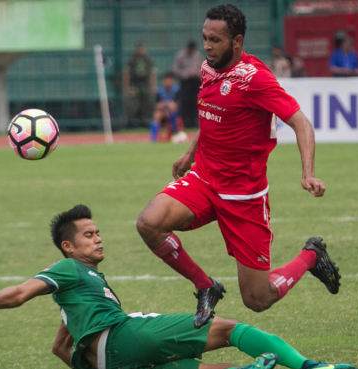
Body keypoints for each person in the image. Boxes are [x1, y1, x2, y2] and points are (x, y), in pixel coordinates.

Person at [0, 205, 358, 369]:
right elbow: (21, 292)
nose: (98, 239)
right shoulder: (67, 269)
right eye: (88, 235)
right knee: (226, 329)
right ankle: (312, 367)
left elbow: (59, 347)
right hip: (119, 339)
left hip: (113, 365)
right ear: (68, 246)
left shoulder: (79, 293)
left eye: (98, 232)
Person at [136, 4, 339, 330]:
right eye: (205, 38)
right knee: (149, 223)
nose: (207, 46)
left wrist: (308, 173)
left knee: (258, 300)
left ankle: (312, 256)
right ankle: (206, 286)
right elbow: (214, 116)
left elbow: (301, 123)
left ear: (237, 41)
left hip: (243, 197)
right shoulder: (207, 69)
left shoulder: (255, 79)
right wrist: (190, 154)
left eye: (215, 40)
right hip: (204, 178)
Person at [124, 43, 157, 128]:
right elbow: (127, 73)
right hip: (134, 84)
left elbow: (152, 74)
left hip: (145, 84)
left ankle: (144, 121)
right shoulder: (132, 59)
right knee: (132, 104)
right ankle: (130, 122)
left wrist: (153, 86)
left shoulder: (148, 59)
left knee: (146, 103)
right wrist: (126, 86)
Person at [173, 40, 204, 130]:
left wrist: (196, 73)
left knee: (196, 102)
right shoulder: (180, 56)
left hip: (196, 82)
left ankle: (194, 121)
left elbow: (202, 69)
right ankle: (185, 122)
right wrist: (186, 74)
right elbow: (175, 69)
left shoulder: (198, 56)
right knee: (185, 102)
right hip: (185, 82)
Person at [150, 71, 183, 142]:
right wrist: (166, 104)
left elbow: (176, 105)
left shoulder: (177, 91)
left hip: (174, 113)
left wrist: (166, 105)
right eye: (166, 80)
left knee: (173, 110)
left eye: (169, 80)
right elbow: (157, 105)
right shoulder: (159, 92)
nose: (167, 82)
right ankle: (153, 139)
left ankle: (175, 132)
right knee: (156, 115)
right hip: (163, 112)